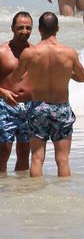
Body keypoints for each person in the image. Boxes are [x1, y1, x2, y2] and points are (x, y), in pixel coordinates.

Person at [9, 12, 84, 177]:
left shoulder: (30, 53)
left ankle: (37, 199)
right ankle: (64, 197)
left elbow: (15, 79)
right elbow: (83, 78)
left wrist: (32, 72)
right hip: (61, 108)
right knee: (63, 159)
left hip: (38, 108)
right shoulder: (69, 53)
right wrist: (67, 74)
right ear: (58, 28)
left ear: (39, 29)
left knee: (37, 158)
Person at [0, 13, 33, 173]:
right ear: (12, 28)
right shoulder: (2, 51)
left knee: (24, 153)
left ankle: (21, 190)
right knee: (3, 152)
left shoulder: (35, 52)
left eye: (28, 28)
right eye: (20, 27)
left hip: (29, 108)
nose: (24, 31)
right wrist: (2, 92)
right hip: (5, 106)